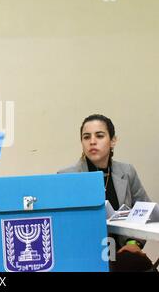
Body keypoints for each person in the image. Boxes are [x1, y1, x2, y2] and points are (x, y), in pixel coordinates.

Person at [58, 114, 156, 271]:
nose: (92, 141)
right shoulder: (67, 177)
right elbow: (63, 226)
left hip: (122, 253)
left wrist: (133, 244)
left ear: (113, 141)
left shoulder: (127, 171)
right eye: (86, 137)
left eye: (99, 135)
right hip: (86, 254)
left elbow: (147, 212)